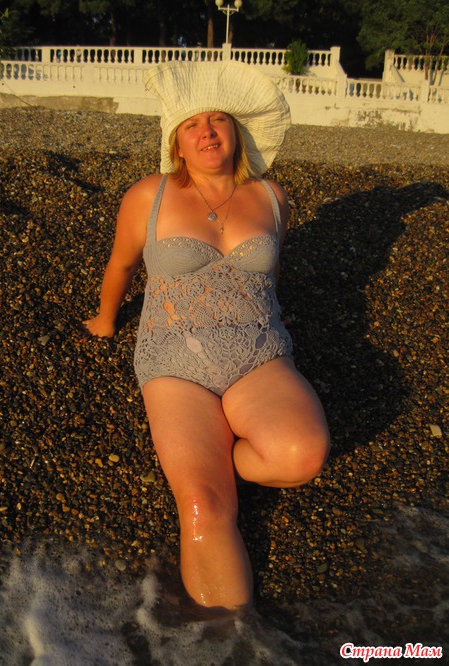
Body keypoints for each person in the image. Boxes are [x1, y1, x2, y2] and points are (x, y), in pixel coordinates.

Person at [84, 61, 330, 612]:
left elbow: (269, 274)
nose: (207, 130)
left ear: (236, 132)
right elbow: (122, 265)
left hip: (258, 353)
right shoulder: (148, 195)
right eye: (192, 124)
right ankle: (227, 639)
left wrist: (270, 316)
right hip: (174, 360)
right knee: (202, 505)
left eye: (218, 119)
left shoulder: (272, 197)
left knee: (302, 456)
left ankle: (226, 457)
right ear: (177, 142)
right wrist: (105, 319)